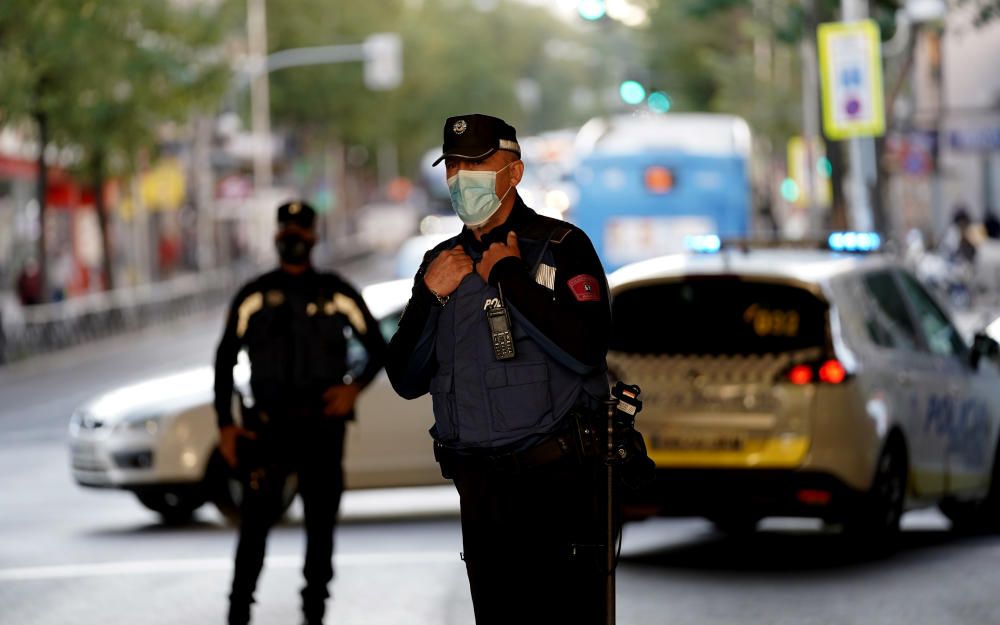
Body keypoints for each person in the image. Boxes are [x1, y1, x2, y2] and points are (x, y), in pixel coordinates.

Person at [386, 114, 613, 625]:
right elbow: (405, 379)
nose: (461, 177)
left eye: (477, 163)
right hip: (481, 491)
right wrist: (429, 296)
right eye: (453, 166)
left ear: (513, 172)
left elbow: (586, 349)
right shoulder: (439, 262)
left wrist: (509, 275)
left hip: (557, 487)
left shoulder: (561, 245)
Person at [213, 200, 387, 625]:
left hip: (322, 431)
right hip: (267, 431)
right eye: (286, 230)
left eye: (300, 231)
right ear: (277, 237)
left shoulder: (337, 293)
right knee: (254, 527)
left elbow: (380, 349)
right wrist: (226, 427)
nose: (292, 238)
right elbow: (224, 361)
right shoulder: (254, 295)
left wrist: (354, 389)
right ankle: (238, 611)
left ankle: (314, 613)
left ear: (313, 237)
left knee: (321, 526)